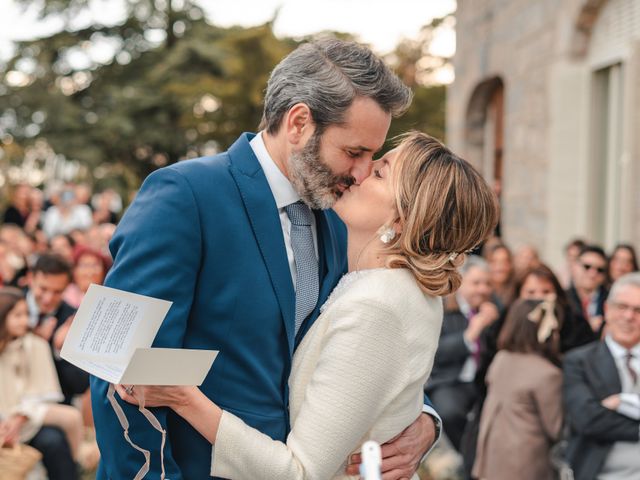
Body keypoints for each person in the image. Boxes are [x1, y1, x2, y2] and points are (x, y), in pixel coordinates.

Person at [91, 39, 441, 480]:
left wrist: (425, 418)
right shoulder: (182, 194)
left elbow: (362, 347)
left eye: (372, 156)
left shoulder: (337, 219)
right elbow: (114, 365)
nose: (361, 172)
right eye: (354, 152)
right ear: (299, 122)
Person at [117, 132, 499, 479]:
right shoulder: (378, 272)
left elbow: (299, 471)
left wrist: (183, 397)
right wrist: (419, 417)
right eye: (358, 151)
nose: (362, 171)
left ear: (402, 220)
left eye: (380, 171)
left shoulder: (378, 300)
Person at [472, 298, 563, 480]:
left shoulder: (501, 359)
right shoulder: (548, 374)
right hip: (525, 465)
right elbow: (557, 428)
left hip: (492, 456)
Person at [563, 272, 640, 480]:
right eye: (622, 307)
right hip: (599, 474)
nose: (629, 316)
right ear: (607, 309)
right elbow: (588, 419)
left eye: (638, 310)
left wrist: (621, 403)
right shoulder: (579, 361)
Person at [0, 287, 82, 480]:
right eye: (17, 315)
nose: (25, 320)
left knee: (53, 441)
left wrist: (20, 417)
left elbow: (46, 393)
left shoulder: (36, 345)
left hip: (31, 420)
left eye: (26, 314)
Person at [424, 255, 500, 451]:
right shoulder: (442, 307)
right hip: (448, 381)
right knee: (450, 412)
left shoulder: (493, 309)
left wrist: (493, 327)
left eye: (487, 284)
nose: (483, 289)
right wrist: (471, 333)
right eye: (476, 283)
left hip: (481, 382)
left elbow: (498, 351)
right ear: (461, 282)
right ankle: (468, 459)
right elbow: (435, 352)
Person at [26, 254, 89, 404]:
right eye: (43, 288)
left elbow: (80, 385)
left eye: (57, 292)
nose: (48, 298)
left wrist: (59, 350)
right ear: (30, 279)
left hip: (54, 404)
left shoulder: (74, 318)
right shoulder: (9, 306)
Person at [517, 263, 596, 352]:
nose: (539, 298)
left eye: (546, 292)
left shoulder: (576, 324)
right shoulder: (508, 323)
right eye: (531, 292)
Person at [566, 244, 609, 335]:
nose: (592, 274)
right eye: (587, 267)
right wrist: (587, 327)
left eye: (599, 270)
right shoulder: (562, 299)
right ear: (574, 267)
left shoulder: (612, 301)